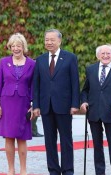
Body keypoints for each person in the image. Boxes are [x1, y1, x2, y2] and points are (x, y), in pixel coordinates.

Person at [33, 29, 80, 175]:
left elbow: (75, 83)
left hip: (64, 107)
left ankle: (68, 170)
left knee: (66, 140)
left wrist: (75, 104)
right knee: (49, 141)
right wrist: (36, 105)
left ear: (59, 41)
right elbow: (36, 84)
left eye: (52, 40)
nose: (49, 42)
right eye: (47, 39)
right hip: (46, 107)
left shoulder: (70, 58)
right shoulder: (40, 60)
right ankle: (53, 170)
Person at [0, 33, 35, 175]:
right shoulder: (4, 62)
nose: (16, 48)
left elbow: (34, 86)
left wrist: (33, 105)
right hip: (7, 104)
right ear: (10, 47)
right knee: (9, 137)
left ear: (23, 47)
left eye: (18, 46)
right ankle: (11, 170)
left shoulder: (32, 64)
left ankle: (23, 170)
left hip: (24, 104)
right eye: (13, 46)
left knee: (22, 138)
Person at [80, 44, 111, 175]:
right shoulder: (91, 69)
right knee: (97, 145)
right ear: (98, 55)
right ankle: (99, 172)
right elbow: (85, 90)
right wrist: (83, 101)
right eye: (103, 53)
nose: (105, 56)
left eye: (108, 54)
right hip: (94, 112)